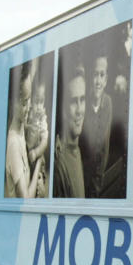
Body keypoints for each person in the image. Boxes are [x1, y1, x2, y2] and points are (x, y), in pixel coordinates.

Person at [6, 64, 45, 198]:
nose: (28, 108)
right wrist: (38, 164)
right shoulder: (13, 145)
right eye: (23, 103)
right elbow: (25, 200)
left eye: (29, 101)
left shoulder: (21, 127)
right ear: (12, 104)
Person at [80, 54, 112, 197]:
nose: (98, 81)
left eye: (102, 75)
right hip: (82, 177)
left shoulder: (108, 103)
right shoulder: (83, 103)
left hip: (97, 179)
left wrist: (99, 178)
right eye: (95, 75)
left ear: (106, 80)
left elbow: (105, 145)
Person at [54, 64, 86, 198]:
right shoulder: (59, 164)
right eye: (73, 102)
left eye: (82, 100)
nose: (79, 110)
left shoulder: (76, 151)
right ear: (63, 109)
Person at [24, 65, 50, 197]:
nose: (39, 106)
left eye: (42, 101)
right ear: (31, 101)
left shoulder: (42, 119)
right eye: (36, 101)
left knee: (39, 182)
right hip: (27, 161)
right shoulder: (28, 115)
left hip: (37, 158)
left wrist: (36, 152)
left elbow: (45, 141)